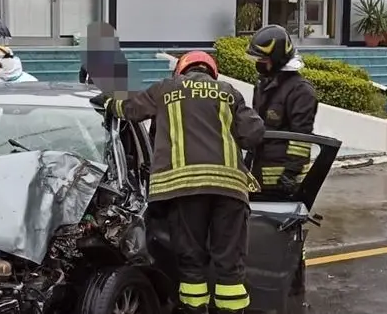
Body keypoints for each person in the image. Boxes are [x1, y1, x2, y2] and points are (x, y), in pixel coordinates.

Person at [90, 51, 265, 314]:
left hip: (184, 190)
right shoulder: (229, 92)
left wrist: (107, 102)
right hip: (229, 191)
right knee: (230, 264)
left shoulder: (165, 89)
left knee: (191, 261)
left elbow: (129, 108)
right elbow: (253, 134)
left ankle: (195, 310)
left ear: (180, 71)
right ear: (212, 72)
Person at [245, 25, 318, 198]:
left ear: (277, 58)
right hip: (259, 177)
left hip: (282, 183)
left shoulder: (301, 91)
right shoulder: (263, 85)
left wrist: (290, 174)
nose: (259, 63)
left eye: (263, 59)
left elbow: (302, 138)